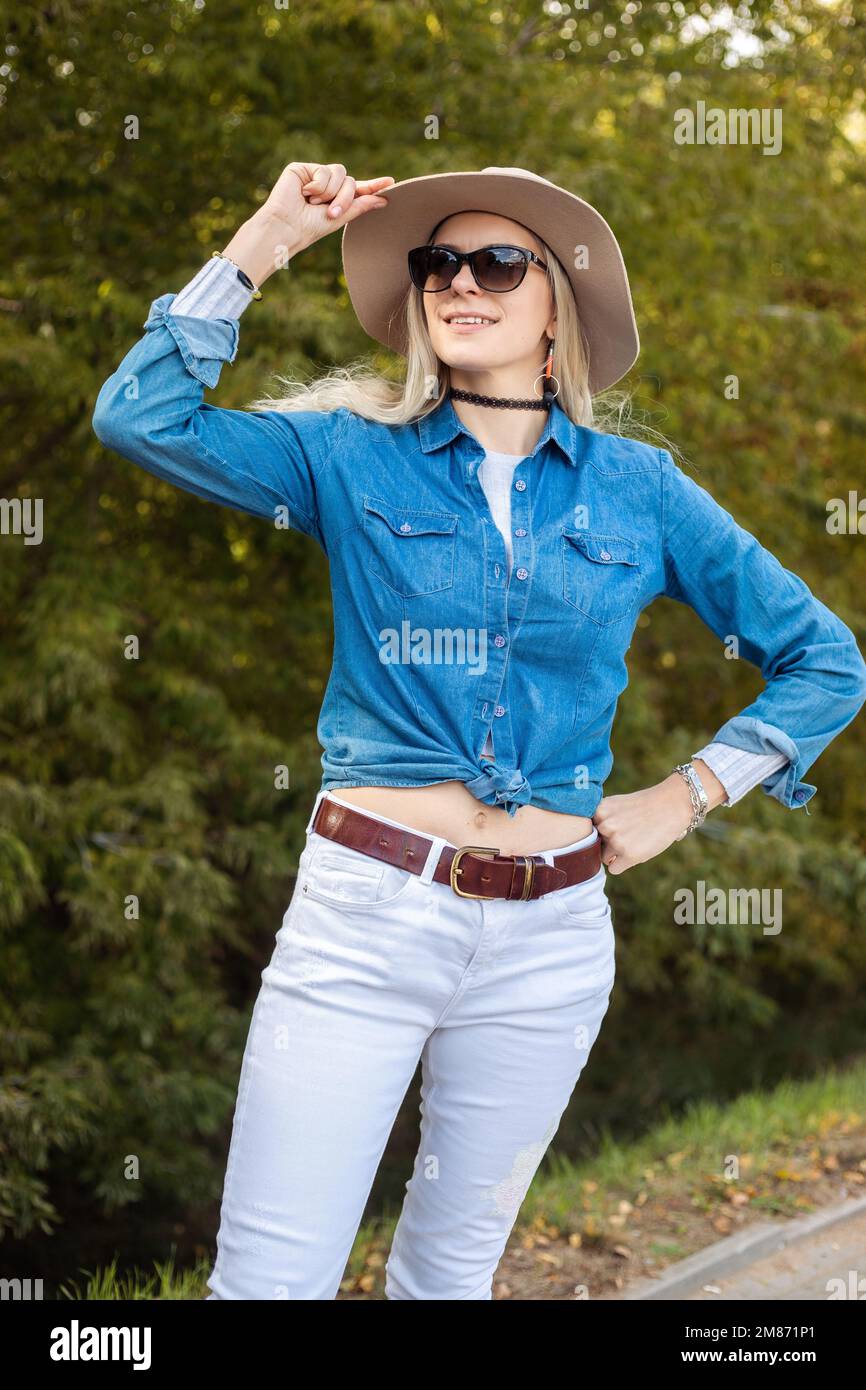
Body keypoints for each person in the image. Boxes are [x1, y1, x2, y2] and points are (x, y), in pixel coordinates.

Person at [91, 163, 866, 1299]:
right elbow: (137, 416)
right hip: (365, 916)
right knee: (268, 1282)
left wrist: (686, 794)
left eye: (496, 263)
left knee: (448, 1280)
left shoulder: (637, 490)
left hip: (550, 944)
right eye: (436, 265)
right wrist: (263, 239)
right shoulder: (345, 455)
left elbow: (825, 660)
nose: (460, 281)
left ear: (556, 306)